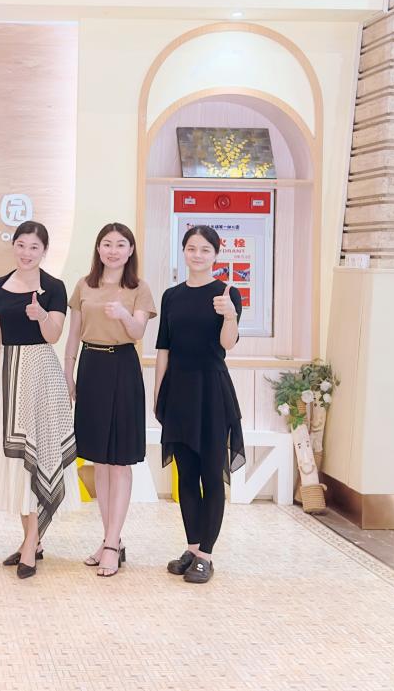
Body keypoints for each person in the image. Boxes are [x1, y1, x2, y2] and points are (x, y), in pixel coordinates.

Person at [0, 220, 77, 580]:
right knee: (18, 462)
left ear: (44, 251)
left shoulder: (54, 287)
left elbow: (53, 336)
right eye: (21, 245)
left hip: (41, 375)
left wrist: (41, 316)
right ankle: (31, 540)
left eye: (34, 247)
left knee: (39, 455)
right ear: (13, 246)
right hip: (9, 375)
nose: (26, 253)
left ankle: (30, 544)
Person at [64, 222, 156, 578]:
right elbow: (73, 334)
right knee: (99, 461)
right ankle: (109, 539)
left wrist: (123, 315)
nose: (113, 250)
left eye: (120, 244)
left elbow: (138, 332)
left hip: (122, 368)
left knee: (119, 462)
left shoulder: (139, 288)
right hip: (91, 366)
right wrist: (68, 372)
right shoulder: (83, 285)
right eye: (107, 244)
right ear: (98, 249)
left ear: (130, 250)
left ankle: (113, 544)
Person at [155, 225, 245, 585]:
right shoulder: (171, 296)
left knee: (211, 474)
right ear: (184, 251)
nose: (197, 255)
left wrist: (230, 315)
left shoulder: (227, 293)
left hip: (211, 392)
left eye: (205, 249)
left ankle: (206, 555)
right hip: (178, 390)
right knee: (186, 476)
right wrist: (159, 394)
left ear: (215, 255)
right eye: (192, 248)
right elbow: (164, 347)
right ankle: (192, 548)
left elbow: (228, 344)